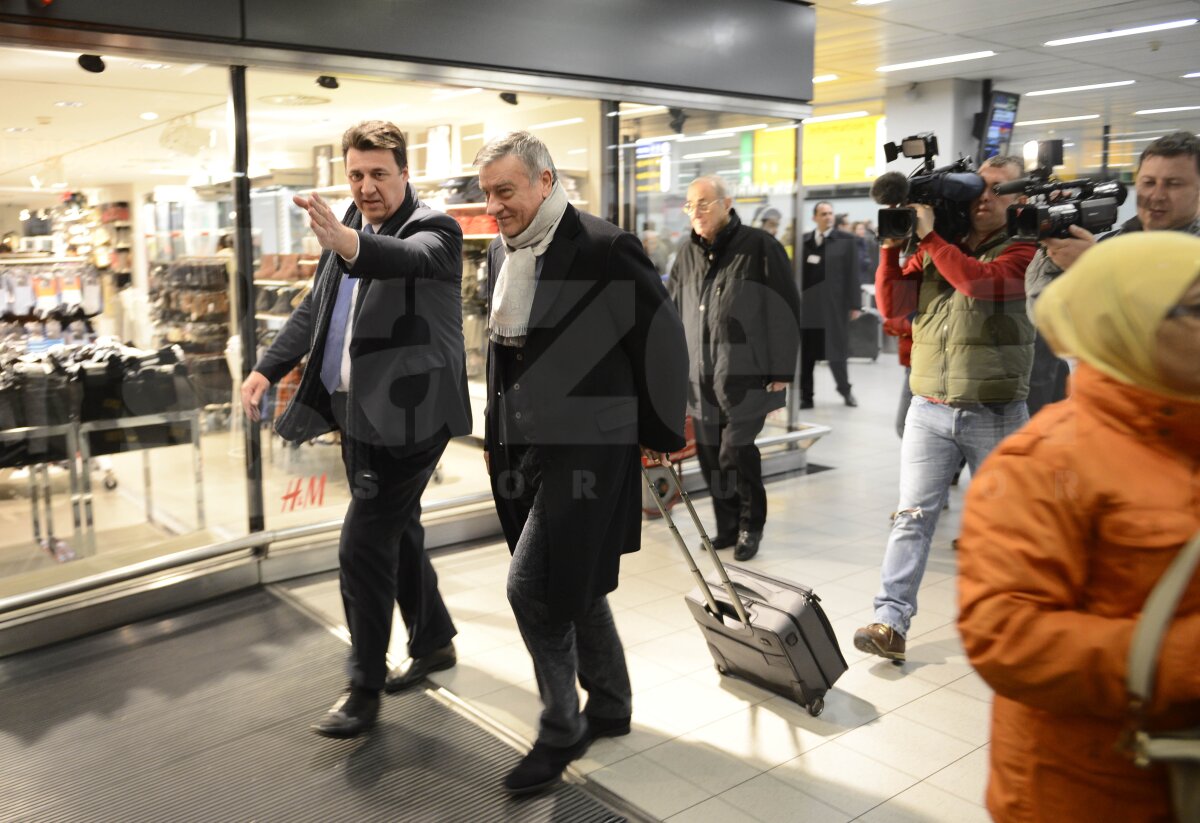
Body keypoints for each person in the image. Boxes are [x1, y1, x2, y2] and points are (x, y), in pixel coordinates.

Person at [957, 232, 1200, 823]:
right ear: (1128, 324)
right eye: (1193, 308)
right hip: (1085, 789)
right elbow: (1003, 634)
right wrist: (1179, 662)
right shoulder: (1046, 462)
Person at [241, 121, 471, 738]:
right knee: (398, 531)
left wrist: (347, 240)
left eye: (379, 174)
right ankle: (435, 640)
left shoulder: (436, 230)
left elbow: (405, 260)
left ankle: (364, 686)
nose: (367, 187)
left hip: (412, 419)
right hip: (357, 413)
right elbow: (319, 307)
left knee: (363, 543)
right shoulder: (349, 228)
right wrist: (268, 367)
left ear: (404, 173)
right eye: (357, 175)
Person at [476, 131, 687, 795]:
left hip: (592, 445)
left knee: (530, 585)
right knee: (576, 578)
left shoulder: (602, 246)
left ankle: (560, 724)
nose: (495, 206)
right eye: (487, 194)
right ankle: (613, 701)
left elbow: (663, 339)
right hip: (525, 446)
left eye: (505, 191)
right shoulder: (503, 254)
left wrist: (658, 433)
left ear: (544, 181)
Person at [853, 155, 1037, 662]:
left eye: (998, 190)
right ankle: (890, 622)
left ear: (1020, 197)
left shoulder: (1026, 250)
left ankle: (1015, 625)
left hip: (996, 412)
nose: (984, 197)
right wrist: (892, 249)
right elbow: (893, 309)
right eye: (978, 188)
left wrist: (932, 241)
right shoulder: (941, 248)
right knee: (911, 517)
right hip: (929, 407)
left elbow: (981, 283)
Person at [669, 175, 800, 561]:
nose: (696, 211)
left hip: (747, 375)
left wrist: (781, 373)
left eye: (704, 203)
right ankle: (726, 527)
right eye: (690, 205)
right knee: (711, 458)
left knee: (736, 452)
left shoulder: (760, 247)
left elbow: (785, 310)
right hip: (700, 377)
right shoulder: (686, 253)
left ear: (727, 203)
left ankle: (750, 525)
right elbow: (671, 311)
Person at [1023, 131, 1200, 415]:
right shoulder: (1109, 244)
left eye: (1174, 184)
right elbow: (1043, 313)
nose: (1157, 195)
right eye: (1148, 182)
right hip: (1099, 416)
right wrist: (1053, 241)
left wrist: (1096, 269)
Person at [799, 201, 862, 408]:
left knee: (836, 352)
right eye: (823, 214)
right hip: (808, 308)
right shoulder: (804, 241)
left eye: (830, 213)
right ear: (814, 217)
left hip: (834, 308)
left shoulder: (846, 240)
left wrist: (855, 305)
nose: (828, 217)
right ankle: (806, 396)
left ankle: (845, 391)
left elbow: (853, 274)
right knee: (806, 355)